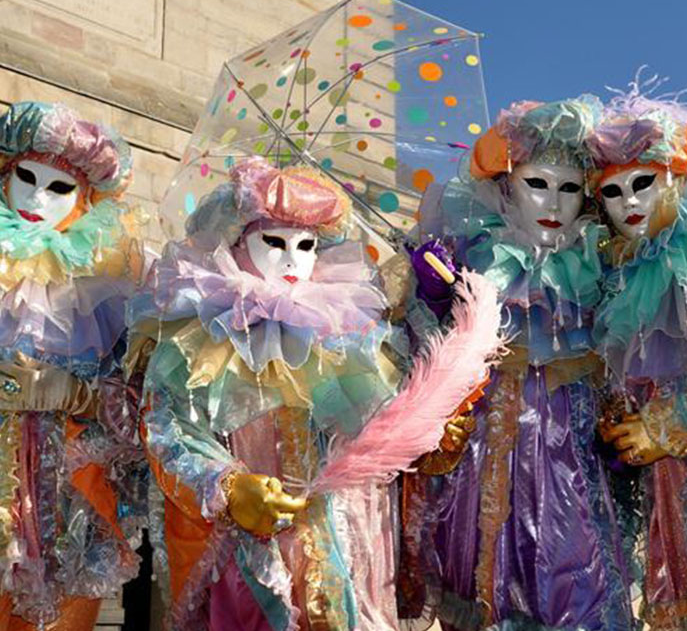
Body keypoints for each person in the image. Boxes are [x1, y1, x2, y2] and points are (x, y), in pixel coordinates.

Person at [130, 157, 412, 630]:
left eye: (306, 246)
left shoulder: (345, 334)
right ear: (237, 241)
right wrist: (229, 486)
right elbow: (168, 426)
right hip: (239, 545)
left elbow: (370, 440)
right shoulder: (199, 330)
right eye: (274, 242)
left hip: (330, 544)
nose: (290, 260)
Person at [401, 97, 635, 630]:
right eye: (537, 183)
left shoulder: (604, 266)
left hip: (572, 464)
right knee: (483, 591)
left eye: (569, 187)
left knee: (580, 592)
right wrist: (437, 299)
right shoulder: (476, 258)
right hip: (483, 462)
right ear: (507, 186)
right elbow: (419, 359)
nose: (553, 201)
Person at [0, 102, 147, 630]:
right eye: (27, 179)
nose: (38, 199)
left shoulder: (110, 292)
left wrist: (75, 395)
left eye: (59, 187)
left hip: (65, 498)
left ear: (87, 200)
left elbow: (140, 411)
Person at [592, 86, 687, 629]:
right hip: (666, 489)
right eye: (613, 192)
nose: (630, 202)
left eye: (643, 184)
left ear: (677, 179)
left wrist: (672, 422)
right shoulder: (619, 277)